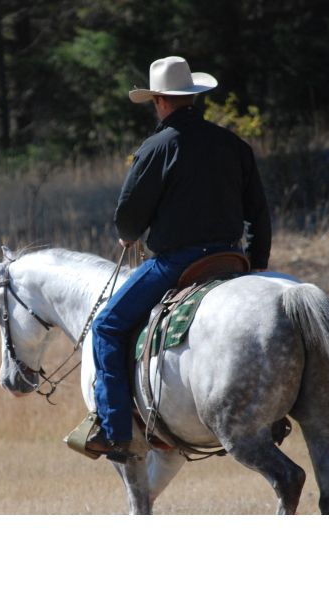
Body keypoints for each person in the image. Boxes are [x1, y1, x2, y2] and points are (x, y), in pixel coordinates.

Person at [86, 56, 271, 460]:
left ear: (159, 101)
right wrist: (256, 265)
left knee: (107, 327)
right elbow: (258, 211)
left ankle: (115, 430)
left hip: (177, 264)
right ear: (192, 98)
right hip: (231, 260)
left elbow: (129, 213)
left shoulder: (157, 147)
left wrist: (128, 236)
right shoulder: (233, 144)